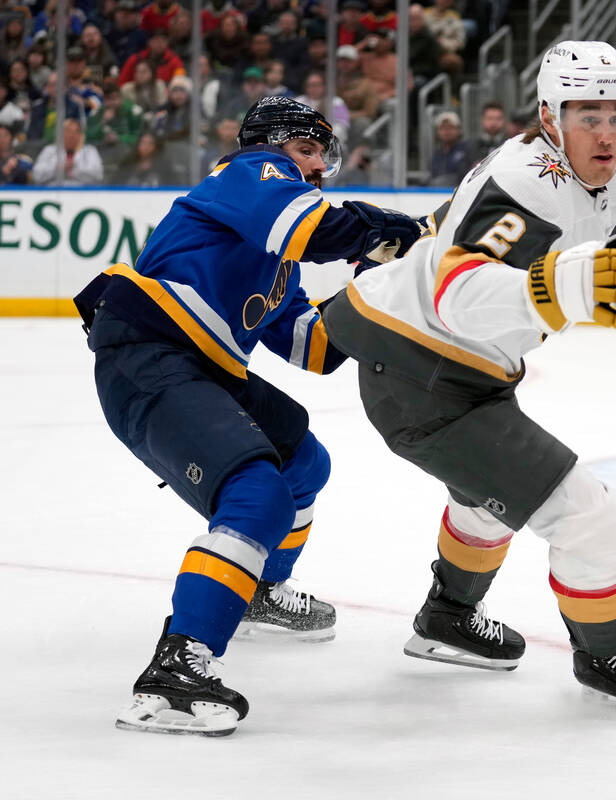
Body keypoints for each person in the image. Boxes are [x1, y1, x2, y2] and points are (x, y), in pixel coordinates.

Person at [320, 41, 616, 716]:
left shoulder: (615, 171)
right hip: (418, 366)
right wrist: (563, 287)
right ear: (551, 117)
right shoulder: (525, 180)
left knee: (481, 501)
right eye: (588, 116)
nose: (607, 133)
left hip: (466, 368)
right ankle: (606, 654)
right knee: (595, 521)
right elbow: (456, 295)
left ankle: (447, 619)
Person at [71, 96, 424, 736]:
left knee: (303, 462)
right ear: (273, 143)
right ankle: (174, 672)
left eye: (324, 156)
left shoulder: (278, 255)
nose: (318, 167)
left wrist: (378, 285)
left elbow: (315, 349)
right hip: (149, 357)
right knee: (256, 492)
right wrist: (381, 226)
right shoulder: (249, 173)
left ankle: (257, 590)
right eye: (308, 150)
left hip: (201, 368)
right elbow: (311, 225)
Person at [31, 116, 104, 185]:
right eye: (68, 131)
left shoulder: (89, 151)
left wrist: (73, 172)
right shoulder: (49, 150)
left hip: (82, 193)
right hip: (52, 192)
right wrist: (58, 169)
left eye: (76, 131)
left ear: (80, 135)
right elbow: (37, 175)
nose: (72, 135)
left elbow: (98, 175)